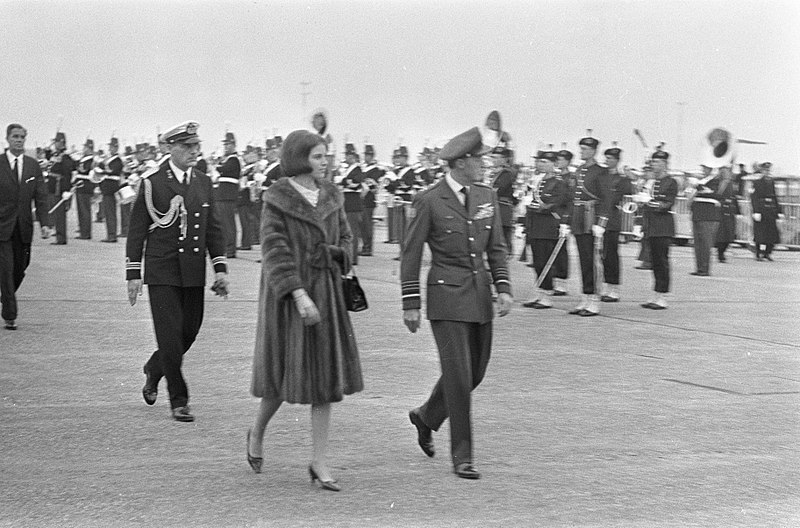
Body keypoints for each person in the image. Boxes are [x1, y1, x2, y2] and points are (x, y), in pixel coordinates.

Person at [247, 130, 362, 492]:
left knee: (325, 383)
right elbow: (274, 250)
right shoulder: (277, 199)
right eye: (317, 157)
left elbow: (347, 239)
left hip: (326, 291)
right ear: (299, 159)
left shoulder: (332, 195)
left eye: (326, 156)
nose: (325, 162)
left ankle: (319, 461)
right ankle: (257, 432)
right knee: (281, 380)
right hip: (288, 298)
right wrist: (298, 294)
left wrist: (336, 253)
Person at [401, 126, 512, 480]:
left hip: (479, 295)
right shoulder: (429, 200)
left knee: (474, 372)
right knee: (459, 377)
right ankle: (462, 456)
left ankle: (426, 416)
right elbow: (411, 252)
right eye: (480, 159)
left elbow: (496, 246)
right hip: (446, 297)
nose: (485, 164)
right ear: (462, 162)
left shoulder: (485, 196)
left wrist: (503, 286)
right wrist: (410, 301)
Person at [126, 121, 229, 423]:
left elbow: (214, 230)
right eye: (187, 147)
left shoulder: (203, 182)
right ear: (169, 148)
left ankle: (154, 368)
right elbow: (136, 233)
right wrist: (133, 273)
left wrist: (220, 269)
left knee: (189, 332)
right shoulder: (152, 183)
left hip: (193, 272)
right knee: (170, 336)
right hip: (162, 270)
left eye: (197, 146)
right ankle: (179, 399)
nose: (194, 152)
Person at [1, 124, 49, 330]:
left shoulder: (32, 165)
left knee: (20, 269)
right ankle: (10, 314)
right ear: (7, 139)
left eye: (22, 137)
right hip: (2, 227)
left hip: (23, 227)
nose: (19, 140)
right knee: (6, 268)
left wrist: (45, 223)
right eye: (15, 137)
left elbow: (41, 196)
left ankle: (7, 293)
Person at [565, 133, 610, 316]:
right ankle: (585, 297)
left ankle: (594, 300)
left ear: (593, 151)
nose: (581, 152)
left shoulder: (601, 172)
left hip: (591, 219)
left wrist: (601, 223)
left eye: (585, 149)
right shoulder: (579, 170)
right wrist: (567, 221)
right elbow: (572, 198)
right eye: (581, 148)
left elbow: (607, 199)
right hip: (579, 218)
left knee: (592, 260)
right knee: (583, 259)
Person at [522, 150, 568, 309]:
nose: (540, 164)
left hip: (548, 225)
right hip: (535, 224)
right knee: (536, 261)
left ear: (554, 164)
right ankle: (539, 290)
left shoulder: (559, 182)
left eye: (545, 162)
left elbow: (560, 203)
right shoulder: (538, 180)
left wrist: (544, 207)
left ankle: (547, 294)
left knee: (545, 261)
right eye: (540, 161)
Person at [640, 150, 678, 310]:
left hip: (663, 227)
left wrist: (649, 201)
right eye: (653, 162)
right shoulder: (651, 182)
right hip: (651, 226)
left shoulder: (671, 182)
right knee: (654, 262)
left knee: (662, 262)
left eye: (656, 162)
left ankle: (662, 296)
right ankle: (656, 294)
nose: (653, 165)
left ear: (664, 164)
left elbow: (667, 204)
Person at [600, 146, 634, 301]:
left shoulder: (623, 180)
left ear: (617, 160)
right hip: (599, 220)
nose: (608, 161)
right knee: (602, 255)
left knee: (611, 254)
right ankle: (605, 285)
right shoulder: (601, 176)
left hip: (612, 220)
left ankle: (614, 288)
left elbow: (626, 199)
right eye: (606, 158)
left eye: (611, 158)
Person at [688, 167, 722, 276]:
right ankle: (699, 268)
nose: (703, 170)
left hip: (708, 215)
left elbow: (714, 194)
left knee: (706, 243)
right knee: (698, 243)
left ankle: (705, 268)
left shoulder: (715, 181)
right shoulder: (702, 182)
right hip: (698, 214)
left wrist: (698, 186)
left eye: (705, 168)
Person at [45, 131, 75, 245]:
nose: (55, 144)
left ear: (62, 142)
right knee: (55, 213)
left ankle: (61, 238)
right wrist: (49, 145)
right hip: (52, 186)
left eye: (57, 142)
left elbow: (67, 174)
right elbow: (48, 155)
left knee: (60, 214)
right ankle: (58, 234)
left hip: (59, 187)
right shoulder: (56, 155)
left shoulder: (65, 157)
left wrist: (66, 190)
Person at [214, 131, 241, 258]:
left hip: (228, 195)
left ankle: (230, 248)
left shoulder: (234, 159)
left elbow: (223, 169)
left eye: (228, 145)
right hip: (223, 195)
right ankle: (227, 246)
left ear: (233, 145)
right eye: (225, 145)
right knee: (224, 222)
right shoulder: (228, 159)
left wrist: (217, 164)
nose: (226, 147)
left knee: (228, 223)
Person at [338, 142, 365, 265]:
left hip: (353, 203)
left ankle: (353, 258)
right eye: (346, 154)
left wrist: (345, 181)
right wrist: (345, 182)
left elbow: (355, 183)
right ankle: (348, 255)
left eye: (349, 155)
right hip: (346, 202)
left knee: (352, 232)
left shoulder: (357, 169)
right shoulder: (346, 169)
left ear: (353, 156)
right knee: (346, 232)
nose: (347, 157)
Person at [751, 162, 783, 261]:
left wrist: (779, 211)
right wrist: (756, 211)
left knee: (771, 233)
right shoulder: (757, 182)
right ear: (762, 171)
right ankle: (758, 253)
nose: (767, 172)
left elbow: (775, 197)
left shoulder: (771, 182)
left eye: (769, 170)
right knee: (760, 233)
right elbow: (754, 197)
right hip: (761, 210)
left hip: (771, 211)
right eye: (766, 170)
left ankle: (767, 253)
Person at [491, 146, 518, 255]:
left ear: (504, 159)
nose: (494, 160)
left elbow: (497, 190)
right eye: (493, 157)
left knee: (502, 234)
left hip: (502, 208)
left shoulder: (506, 173)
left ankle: (503, 257)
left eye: (498, 158)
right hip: (495, 206)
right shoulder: (494, 173)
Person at [97, 136, 124, 243]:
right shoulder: (108, 159)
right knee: (108, 213)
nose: (110, 149)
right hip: (106, 188)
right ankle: (110, 234)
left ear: (116, 148)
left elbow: (113, 171)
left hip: (111, 188)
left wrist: (103, 170)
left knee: (110, 213)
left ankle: (112, 235)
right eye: (110, 147)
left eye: (112, 147)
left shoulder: (117, 160)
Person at [360, 144, 384, 256]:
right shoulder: (363, 168)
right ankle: (365, 246)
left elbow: (372, 184)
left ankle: (368, 248)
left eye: (369, 155)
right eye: (366, 154)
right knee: (363, 226)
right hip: (362, 200)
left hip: (368, 199)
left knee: (367, 225)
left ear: (372, 156)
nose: (366, 157)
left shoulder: (375, 169)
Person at [715, 166, 740, 262]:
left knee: (729, 233)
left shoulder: (731, 184)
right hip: (720, 210)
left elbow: (734, 197)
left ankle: (723, 251)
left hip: (730, 211)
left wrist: (737, 210)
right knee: (721, 234)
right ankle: (720, 253)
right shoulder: (718, 183)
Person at [74, 139, 97, 240]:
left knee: (84, 211)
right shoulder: (84, 158)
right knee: (81, 211)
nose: (83, 149)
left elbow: (84, 170)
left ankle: (86, 233)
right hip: (80, 186)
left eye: (85, 147)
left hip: (85, 186)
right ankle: (83, 231)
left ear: (89, 148)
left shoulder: (90, 160)